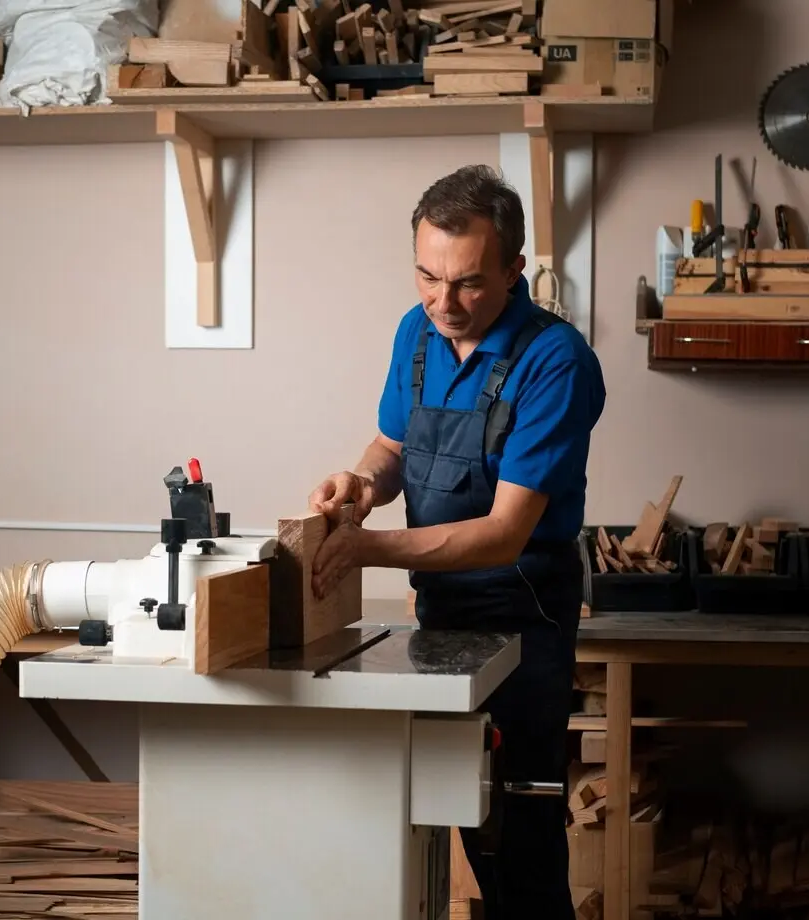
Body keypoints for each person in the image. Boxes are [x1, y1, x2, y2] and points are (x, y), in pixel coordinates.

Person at [305, 164, 606, 919]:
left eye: (469, 283)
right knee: (462, 819)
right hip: (442, 615)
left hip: (524, 618)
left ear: (513, 268)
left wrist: (367, 550)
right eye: (427, 277)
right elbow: (392, 447)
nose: (444, 303)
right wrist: (362, 490)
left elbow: (504, 534)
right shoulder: (419, 332)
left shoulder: (556, 361)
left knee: (521, 833)